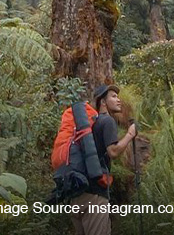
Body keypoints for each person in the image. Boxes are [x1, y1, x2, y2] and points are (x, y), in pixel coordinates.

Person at [70, 83, 137, 235]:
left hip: (77, 195)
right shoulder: (107, 121)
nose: (119, 100)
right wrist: (130, 135)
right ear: (103, 102)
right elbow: (113, 152)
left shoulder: (88, 125)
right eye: (114, 96)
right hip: (95, 195)